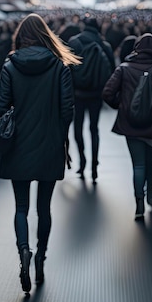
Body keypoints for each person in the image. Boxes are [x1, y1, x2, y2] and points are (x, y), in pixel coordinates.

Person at [0, 13, 78, 294]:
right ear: (45, 35)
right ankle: (41, 258)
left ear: (20, 36)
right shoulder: (59, 67)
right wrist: (61, 139)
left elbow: (0, 108)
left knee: (20, 208)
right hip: (49, 144)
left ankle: (24, 253)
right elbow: (68, 110)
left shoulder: (10, 66)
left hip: (18, 145)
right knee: (44, 208)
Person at [102, 33, 152, 220]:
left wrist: (122, 107)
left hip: (131, 124)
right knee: (151, 161)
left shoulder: (123, 69)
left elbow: (107, 93)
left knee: (138, 164)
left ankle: (139, 202)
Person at [67, 16, 115, 181]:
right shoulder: (104, 44)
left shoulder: (73, 42)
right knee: (94, 129)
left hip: (78, 94)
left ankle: (82, 161)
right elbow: (113, 71)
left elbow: (66, 69)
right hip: (96, 94)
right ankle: (94, 165)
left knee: (77, 128)